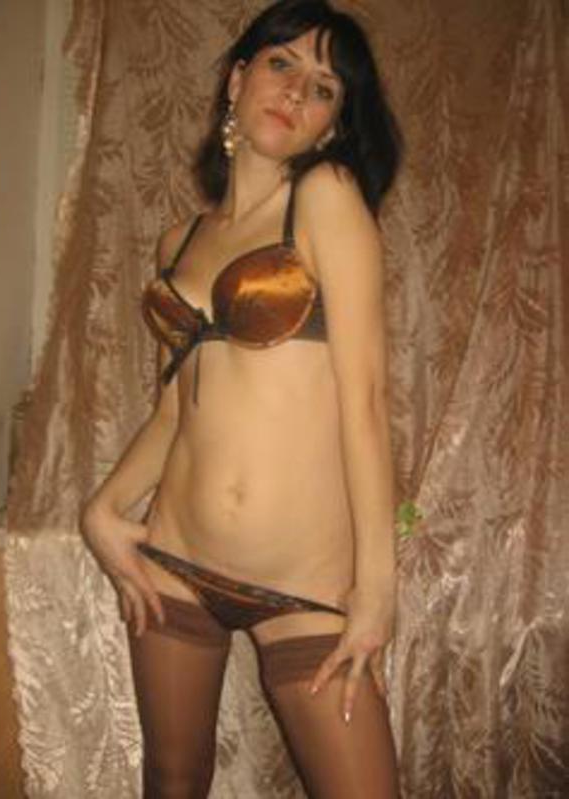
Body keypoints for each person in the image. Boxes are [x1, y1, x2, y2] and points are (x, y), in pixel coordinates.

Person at [81, 1, 402, 796]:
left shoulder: (325, 195)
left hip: (305, 586)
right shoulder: (180, 241)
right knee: (173, 778)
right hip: (177, 562)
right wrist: (103, 508)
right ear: (237, 79)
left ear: (332, 125)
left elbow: (364, 399)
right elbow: (176, 408)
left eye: (324, 88)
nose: (296, 91)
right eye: (282, 63)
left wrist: (376, 586)